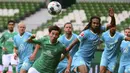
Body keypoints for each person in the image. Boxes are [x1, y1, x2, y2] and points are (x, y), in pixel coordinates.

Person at [65, 8, 116, 73]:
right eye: (94, 23)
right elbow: (74, 42)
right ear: (91, 23)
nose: (95, 25)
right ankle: (75, 68)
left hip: (88, 60)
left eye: (97, 23)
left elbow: (112, 25)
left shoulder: (100, 30)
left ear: (99, 24)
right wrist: (66, 51)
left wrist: (112, 17)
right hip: (79, 57)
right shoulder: (85, 33)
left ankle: (76, 70)